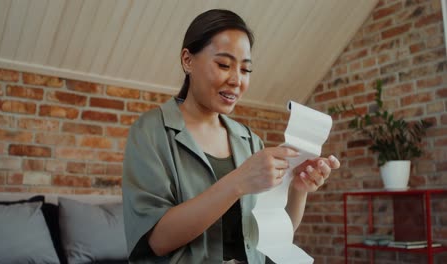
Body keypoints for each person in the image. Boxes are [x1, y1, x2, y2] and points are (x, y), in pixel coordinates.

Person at [122, 9, 340, 264]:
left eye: (246, 70)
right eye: (224, 65)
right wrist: (238, 181)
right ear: (187, 60)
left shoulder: (249, 141)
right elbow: (158, 240)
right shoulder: (149, 132)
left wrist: (299, 189)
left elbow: (271, 237)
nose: (237, 80)